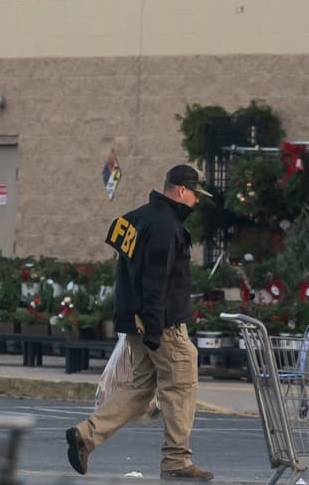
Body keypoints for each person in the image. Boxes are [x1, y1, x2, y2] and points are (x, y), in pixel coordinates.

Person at [66, 164, 215, 481]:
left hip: (137, 320)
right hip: (160, 324)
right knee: (180, 385)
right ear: (180, 190)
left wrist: (138, 323)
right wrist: (154, 328)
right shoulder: (165, 225)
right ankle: (177, 461)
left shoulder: (137, 217)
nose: (197, 201)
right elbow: (154, 280)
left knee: (140, 387)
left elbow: (127, 273)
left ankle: (86, 435)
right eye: (194, 194)